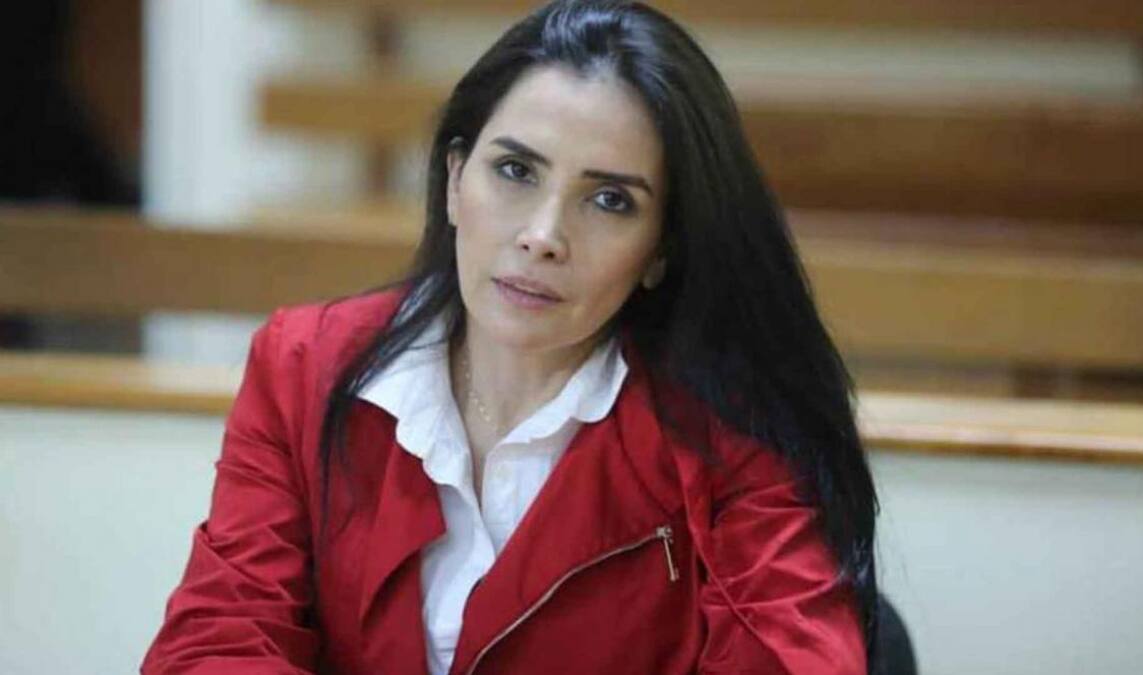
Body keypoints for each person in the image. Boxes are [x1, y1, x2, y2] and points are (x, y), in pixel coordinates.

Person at [143, 1, 878, 673]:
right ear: (454, 181)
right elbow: (218, 642)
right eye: (515, 170)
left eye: (610, 200)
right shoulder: (305, 366)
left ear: (661, 249)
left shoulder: (737, 430)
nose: (542, 235)